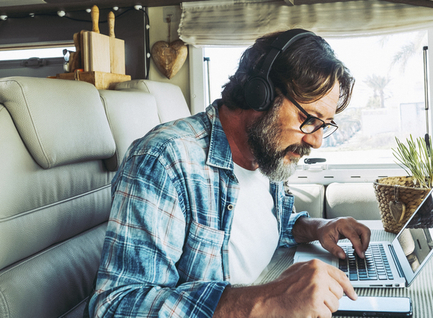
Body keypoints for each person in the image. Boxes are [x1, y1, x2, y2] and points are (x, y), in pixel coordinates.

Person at [88, 28, 370, 318]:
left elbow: (273, 223)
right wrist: (264, 302)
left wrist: (319, 227)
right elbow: (116, 305)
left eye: (324, 125)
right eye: (308, 119)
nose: (316, 140)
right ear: (261, 95)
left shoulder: (267, 156)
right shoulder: (164, 160)